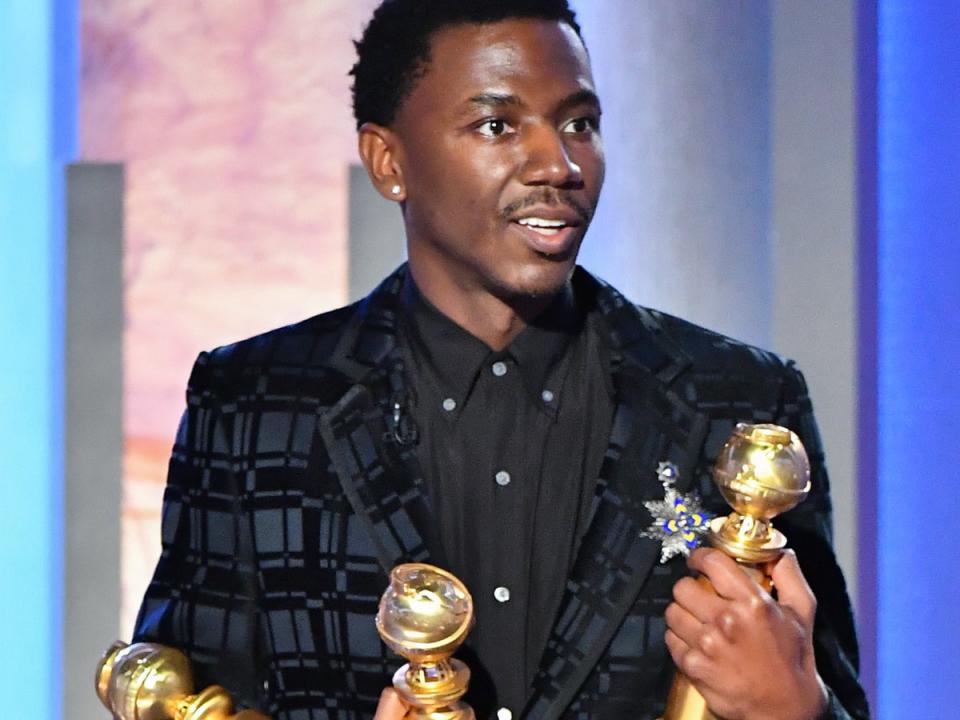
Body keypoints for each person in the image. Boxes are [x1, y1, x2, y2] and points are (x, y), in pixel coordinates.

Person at [133, 1, 870, 719]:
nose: (558, 163)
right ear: (388, 162)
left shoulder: (736, 400)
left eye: (580, 123)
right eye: (497, 125)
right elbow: (189, 698)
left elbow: (838, 694)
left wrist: (794, 708)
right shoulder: (256, 405)